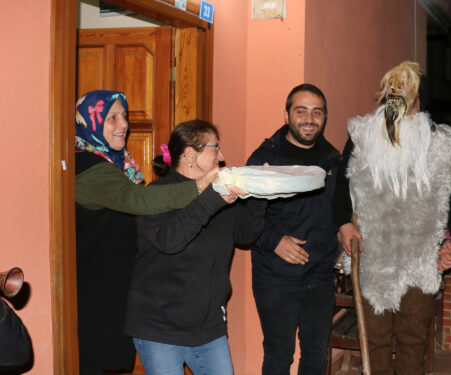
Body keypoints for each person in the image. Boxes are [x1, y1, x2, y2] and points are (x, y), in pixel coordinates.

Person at [334, 61, 451, 375]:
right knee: (376, 338)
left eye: (408, 99)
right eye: (393, 98)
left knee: (413, 336)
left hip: (420, 257)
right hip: (373, 257)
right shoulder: (364, 139)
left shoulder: (439, 144)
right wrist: (343, 222)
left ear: (420, 103)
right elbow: (342, 185)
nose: (400, 106)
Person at [74, 90, 217, 374]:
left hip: (115, 281)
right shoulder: (89, 169)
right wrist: (201, 187)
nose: (123, 124)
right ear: (90, 123)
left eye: (124, 116)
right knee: (97, 358)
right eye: (112, 117)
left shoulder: (118, 164)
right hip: (95, 286)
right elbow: (138, 201)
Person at [124, 120, 266, 375]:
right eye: (215, 149)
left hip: (208, 328)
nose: (221, 156)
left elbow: (245, 234)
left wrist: (260, 195)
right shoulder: (156, 194)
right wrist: (210, 199)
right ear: (190, 154)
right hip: (160, 329)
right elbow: (170, 241)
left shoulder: (218, 194)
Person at [245, 83, 341, 374]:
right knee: (278, 356)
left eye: (317, 112)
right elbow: (244, 219)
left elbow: (341, 210)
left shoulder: (333, 160)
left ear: (324, 117)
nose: (309, 119)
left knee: (316, 358)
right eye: (301, 111)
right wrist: (274, 241)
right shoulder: (264, 159)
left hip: (320, 276)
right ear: (286, 116)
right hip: (276, 277)